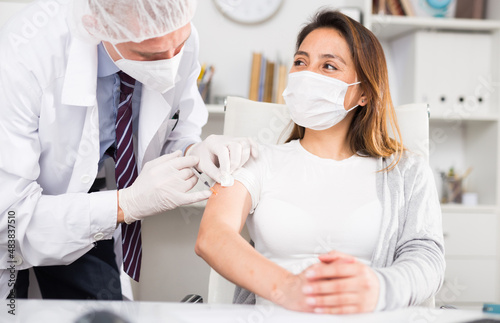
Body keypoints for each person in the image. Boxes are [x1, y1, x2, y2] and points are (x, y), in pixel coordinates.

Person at [0, 0, 256, 300]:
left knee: (101, 311)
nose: (170, 62)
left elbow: (174, 125)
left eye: (180, 45)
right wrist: (126, 204)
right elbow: (11, 220)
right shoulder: (23, 55)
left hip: (93, 203)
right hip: (18, 212)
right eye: (150, 55)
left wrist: (192, 150)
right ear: (96, 26)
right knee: (12, 305)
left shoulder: (173, 33)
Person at [195, 10, 445, 314]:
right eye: (301, 62)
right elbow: (213, 236)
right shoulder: (254, 159)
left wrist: (379, 289)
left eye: (328, 66)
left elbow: (427, 257)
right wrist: (288, 289)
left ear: (363, 93)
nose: (308, 75)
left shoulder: (407, 172)